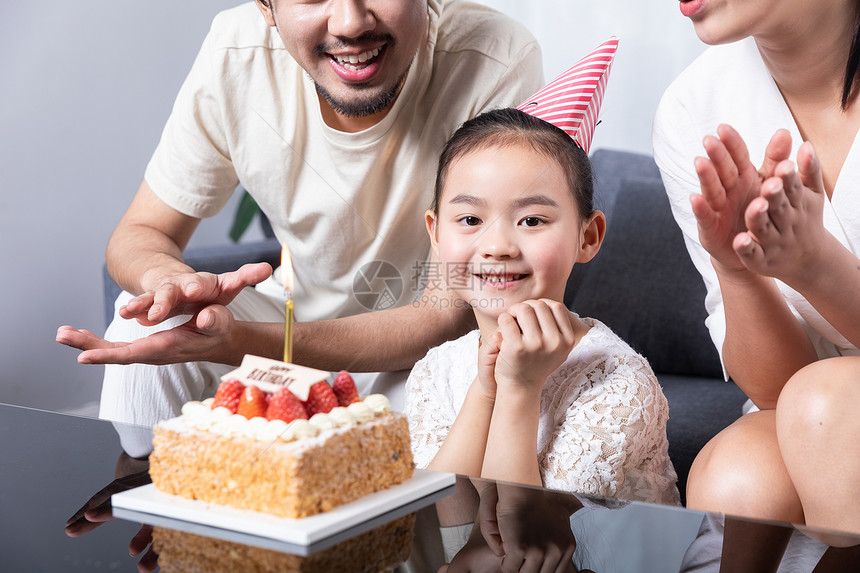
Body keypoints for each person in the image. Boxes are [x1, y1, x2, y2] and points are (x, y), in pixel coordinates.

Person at [56, 0, 543, 457]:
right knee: (145, 318)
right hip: (290, 333)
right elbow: (140, 233)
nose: (351, 23)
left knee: (479, 378)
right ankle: (150, 497)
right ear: (266, 5)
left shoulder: (494, 59)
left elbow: (448, 314)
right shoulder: (237, 51)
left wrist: (243, 341)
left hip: (423, 361)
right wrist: (170, 283)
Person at [653, 0, 860, 562]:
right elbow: (777, 391)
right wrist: (736, 269)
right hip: (811, 412)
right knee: (736, 475)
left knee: (827, 400)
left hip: (828, 409)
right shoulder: (693, 107)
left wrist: (815, 265)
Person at [405, 103, 680, 506]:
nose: (497, 246)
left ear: (587, 237)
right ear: (435, 232)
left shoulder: (619, 384)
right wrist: (484, 392)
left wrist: (519, 387)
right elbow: (437, 516)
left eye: (532, 220)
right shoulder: (434, 372)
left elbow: (521, 540)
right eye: (469, 220)